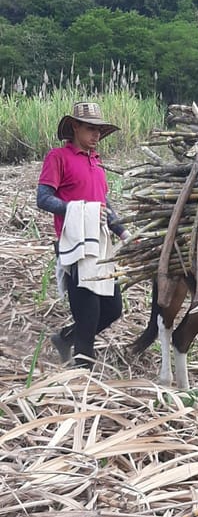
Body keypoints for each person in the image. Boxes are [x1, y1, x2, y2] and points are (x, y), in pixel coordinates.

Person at [37, 101, 131, 367]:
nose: (96, 135)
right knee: (88, 317)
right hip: (76, 246)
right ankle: (82, 381)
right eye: (91, 129)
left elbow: (104, 204)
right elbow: (43, 198)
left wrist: (123, 231)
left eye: (99, 130)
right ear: (75, 127)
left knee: (113, 310)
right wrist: (77, 210)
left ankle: (65, 338)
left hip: (100, 245)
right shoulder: (58, 157)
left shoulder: (97, 162)